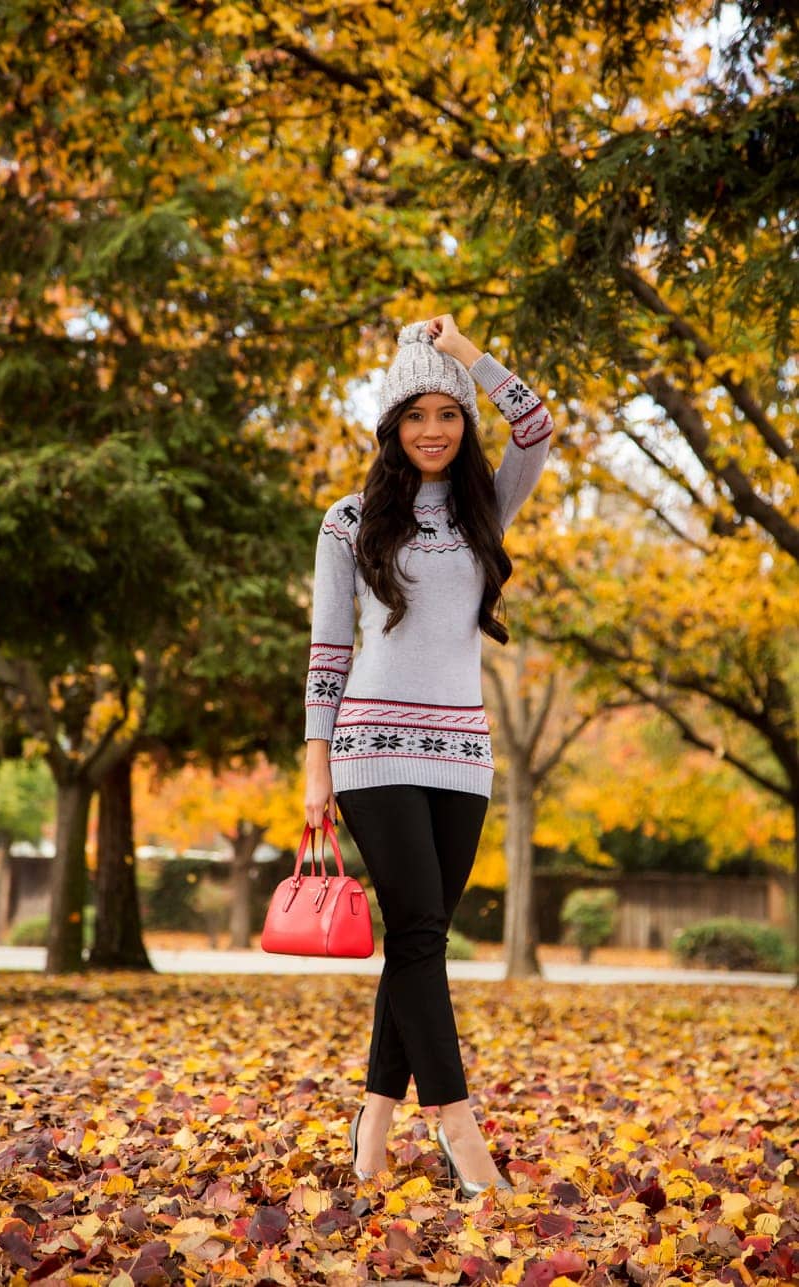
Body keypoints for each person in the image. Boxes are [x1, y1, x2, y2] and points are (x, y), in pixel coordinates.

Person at [303, 313, 553, 1195]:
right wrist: (315, 758)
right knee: (416, 935)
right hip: (371, 752)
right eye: (418, 415)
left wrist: (467, 352)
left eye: (449, 413)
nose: (435, 429)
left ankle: (371, 1124)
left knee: (421, 942)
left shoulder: (489, 501)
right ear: (391, 426)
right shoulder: (347, 521)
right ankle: (458, 1130)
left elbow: (538, 425)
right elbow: (329, 648)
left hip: (463, 757)